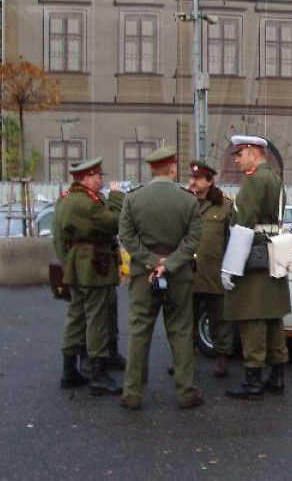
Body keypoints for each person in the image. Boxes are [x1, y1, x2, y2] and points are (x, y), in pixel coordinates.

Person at [119, 146, 203, 411]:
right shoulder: (188, 200)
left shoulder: (133, 199)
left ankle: (132, 393)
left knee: (139, 332)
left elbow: (127, 236)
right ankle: (186, 392)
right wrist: (170, 264)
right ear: (173, 168)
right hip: (179, 275)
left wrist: (152, 262)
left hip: (144, 274)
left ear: (151, 169)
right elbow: (193, 239)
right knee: (180, 332)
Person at [223, 135, 291, 400]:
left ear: (253, 152)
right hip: (274, 254)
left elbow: (242, 227)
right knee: (274, 318)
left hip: (254, 257)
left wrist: (230, 267)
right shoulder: (275, 179)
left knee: (251, 318)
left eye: (240, 154)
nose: (238, 160)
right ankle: (277, 378)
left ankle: (253, 381)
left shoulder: (254, 181)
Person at [53, 157, 125, 395]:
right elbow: (114, 222)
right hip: (94, 266)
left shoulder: (65, 200)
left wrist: (69, 262)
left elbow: (58, 238)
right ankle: (97, 373)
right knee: (96, 317)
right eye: (97, 176)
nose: (100, 180)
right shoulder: (87, 203)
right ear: (85, 179)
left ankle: (68, 371)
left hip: (75, 265)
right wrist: (117, 196)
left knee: (76, 316)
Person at [187, 160, 235, 378]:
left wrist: (230, 268)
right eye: (192, 178)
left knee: (220, 318)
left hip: (214, 272)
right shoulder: (186, 202)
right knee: (186, 319)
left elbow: (233, 240)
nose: (193, 182)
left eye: (197, 178)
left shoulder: (224, 205)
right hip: (188, 273)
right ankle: (184, 360)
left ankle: (222, 358)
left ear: (210, 181)